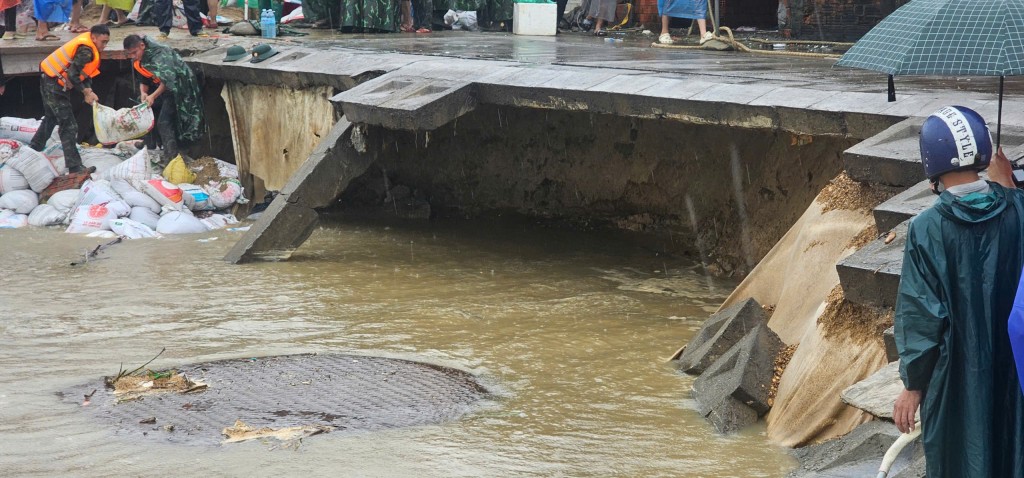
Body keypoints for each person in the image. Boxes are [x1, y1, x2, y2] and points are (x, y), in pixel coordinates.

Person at [892, 105, 1024, 477]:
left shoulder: (927, 228)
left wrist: (913, 386)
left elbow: (921, 315)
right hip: (1015, 364)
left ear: (930, 160)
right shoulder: (1018, 208)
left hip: (958, 374)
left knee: (960, 455)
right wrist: (1007, 184)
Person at [29, 24, 110, 174]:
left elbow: (82, 74)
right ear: (93, 37)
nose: (104, 46)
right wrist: (86, 92)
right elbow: (73, 74)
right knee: (69, 125)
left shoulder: (88, 46)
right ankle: (74, 166)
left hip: (48, 78)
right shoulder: (86, 51)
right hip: (54, 84)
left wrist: (89, 90)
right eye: (103, 42)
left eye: (107, 42)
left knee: (51, 118)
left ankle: (33, 149)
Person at [123, 34, 204, 165]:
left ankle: (171, 157)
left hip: (178, 89)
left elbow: (168, 81)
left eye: (134, 53)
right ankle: (148, 143)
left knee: (164, 122)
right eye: (130, 54)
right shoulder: (139, 59)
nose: (133, 56)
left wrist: (152, 96)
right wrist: (144, 93)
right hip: (160, 87)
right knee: (143, 107)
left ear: (142, 46)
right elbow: (144, 78)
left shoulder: (160, 54)